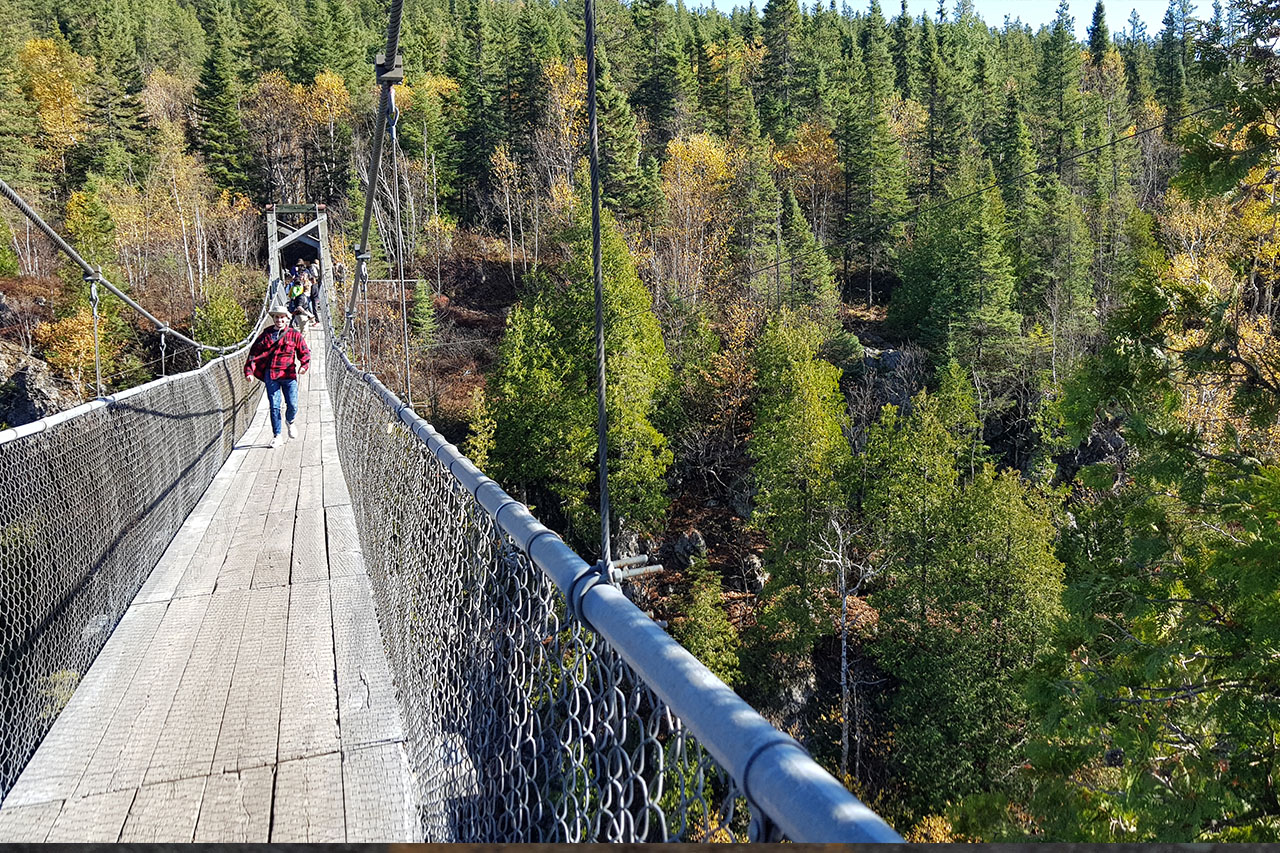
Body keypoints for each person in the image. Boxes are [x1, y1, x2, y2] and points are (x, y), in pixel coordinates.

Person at [245, 302, 311, 448]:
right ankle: (277, 435)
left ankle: (290, 421)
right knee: (274, 406)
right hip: (272, 374)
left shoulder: (295, 335)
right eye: (276, 317)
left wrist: (304, 366)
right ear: (273, 318)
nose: (279, 320)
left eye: (282, 317)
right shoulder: (266, 334)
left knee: (292, 405)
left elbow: (304, 353)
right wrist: (249, 371)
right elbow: (254, 353)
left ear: (287, 318)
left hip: (289, 375)